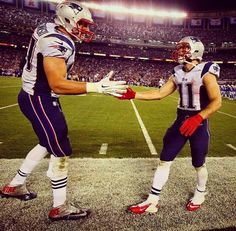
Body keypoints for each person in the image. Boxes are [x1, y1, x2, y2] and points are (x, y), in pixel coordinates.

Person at [0, 1, 126, 221]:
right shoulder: (58, 42)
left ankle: (14, 186)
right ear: (66, 21)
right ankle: (60, 207)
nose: (85, 30)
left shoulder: (47, 28)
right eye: (82, 24)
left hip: (32, 95)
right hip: (40, 99)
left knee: (45, 142)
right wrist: (96, 87)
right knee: (61, 149)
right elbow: (57, 84)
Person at [118, 36, 222, 214]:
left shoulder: (207, 70)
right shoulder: (177, 71)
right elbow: (160, 93)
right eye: (180, 48)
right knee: (164, 160)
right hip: (181, 120)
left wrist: (198, 118)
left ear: (195, 50)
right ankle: (152, 200)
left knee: (198, 163)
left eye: (184, 48)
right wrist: (134, 95)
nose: (180, 52)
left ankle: (200, 192)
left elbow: (216, 101)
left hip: (199, 123)